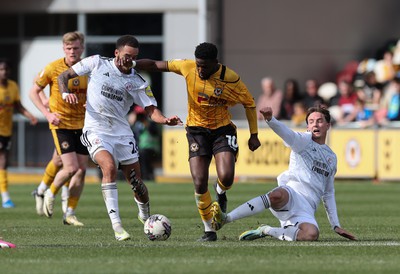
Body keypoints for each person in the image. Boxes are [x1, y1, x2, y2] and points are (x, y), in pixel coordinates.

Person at [58, 34, 182, 241]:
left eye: (133, 57)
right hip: (96, 129)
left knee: (136, 182)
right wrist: (64, 94)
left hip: (122, 133)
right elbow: (64, 77)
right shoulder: (97, 62)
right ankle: (117, 227)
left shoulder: (137, 80)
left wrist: (165, 120)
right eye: (126, 55)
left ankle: (144, 216)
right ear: (116, 53)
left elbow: (151, 110)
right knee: (109, 167)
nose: (129, 60)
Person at [135, 42, 261, 241]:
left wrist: (254, 134)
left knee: (227, 177)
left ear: (215, 63)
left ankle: (220, 192)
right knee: (199, 180)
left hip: (222, 130)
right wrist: (131, 64)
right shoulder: (188, 67)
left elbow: (250, 103)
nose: (200, 69)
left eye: (204, 66)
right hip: (196, 130)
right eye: (198, 64)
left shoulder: (231, 79)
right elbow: (156, 64)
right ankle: (209, 230)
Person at [211, 105, 356, 242]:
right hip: (291, 194)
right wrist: (270, 119)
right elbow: (287, 134)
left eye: (319, 121)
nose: (315, 125)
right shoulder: (304, 140)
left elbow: (328, 193)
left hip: (307, 208)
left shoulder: (332, 158)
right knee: (277, 195)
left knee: (311, 234)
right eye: (311, 122)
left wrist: (335, 225)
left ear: (328, 125)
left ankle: (266, 230)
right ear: (307, 126)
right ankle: (226, 218)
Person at [29, 31, 88, 226]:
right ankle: (48, 192)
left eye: (76, 48)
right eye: (69, 48)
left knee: (80, 171)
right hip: (60, 123)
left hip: (83, 125)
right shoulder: (53, 68)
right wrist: (47, 114)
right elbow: (33, 92)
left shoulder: (87, 68)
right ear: (64, 49)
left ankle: (69, 213)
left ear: (82, 48)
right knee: (70, 168)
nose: (72, 51)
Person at [0, 58, 38, 208]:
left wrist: (30, 116)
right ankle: (5, 198)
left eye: (5, 69)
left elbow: (18, 105)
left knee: (4, 163)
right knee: (2, 160)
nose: (3, 72)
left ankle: (5, 197)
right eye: (1, 69)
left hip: (6, 131)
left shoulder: (13, 86)